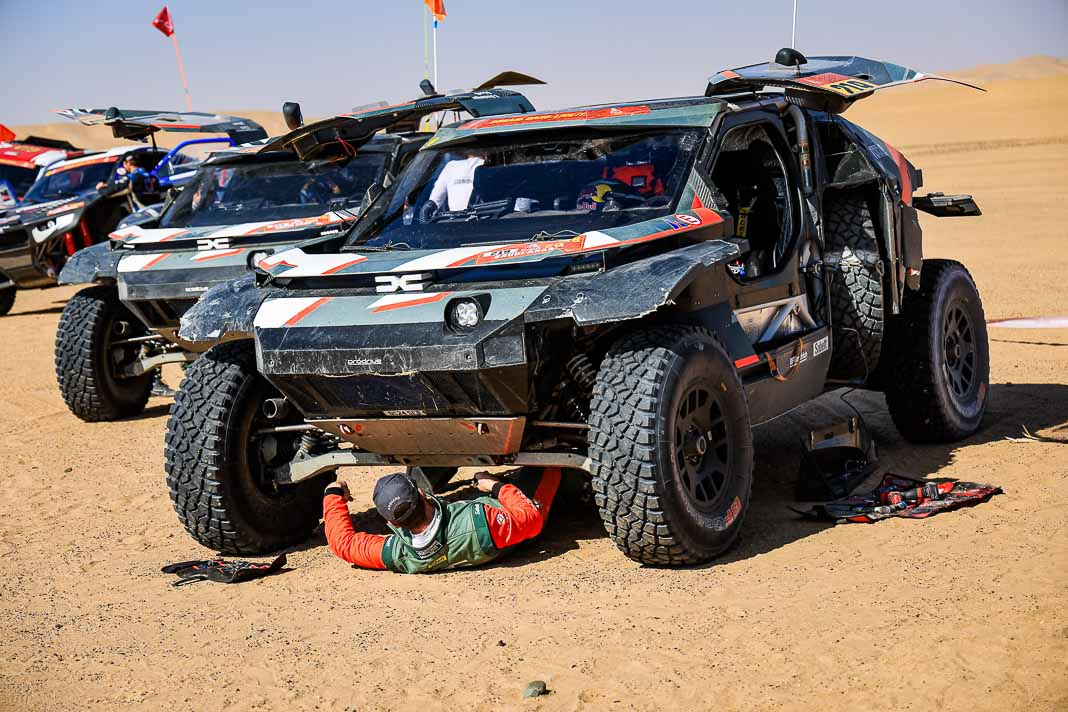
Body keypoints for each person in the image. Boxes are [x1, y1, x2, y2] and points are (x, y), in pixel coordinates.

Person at [322, 467, 561, 573]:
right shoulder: (480, 522)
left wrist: (333, 494)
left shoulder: (400, 554)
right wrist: (494, 485)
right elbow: (531, 519)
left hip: (490, 533)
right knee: (548, 464)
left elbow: (344, 544)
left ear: (393, 524)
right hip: (515, 522)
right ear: (422, 493)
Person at [420, 152, 485, 220]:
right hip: (483, 222)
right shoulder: (485, 165)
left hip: (454, 223)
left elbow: (432, 203)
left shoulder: (451, 166)